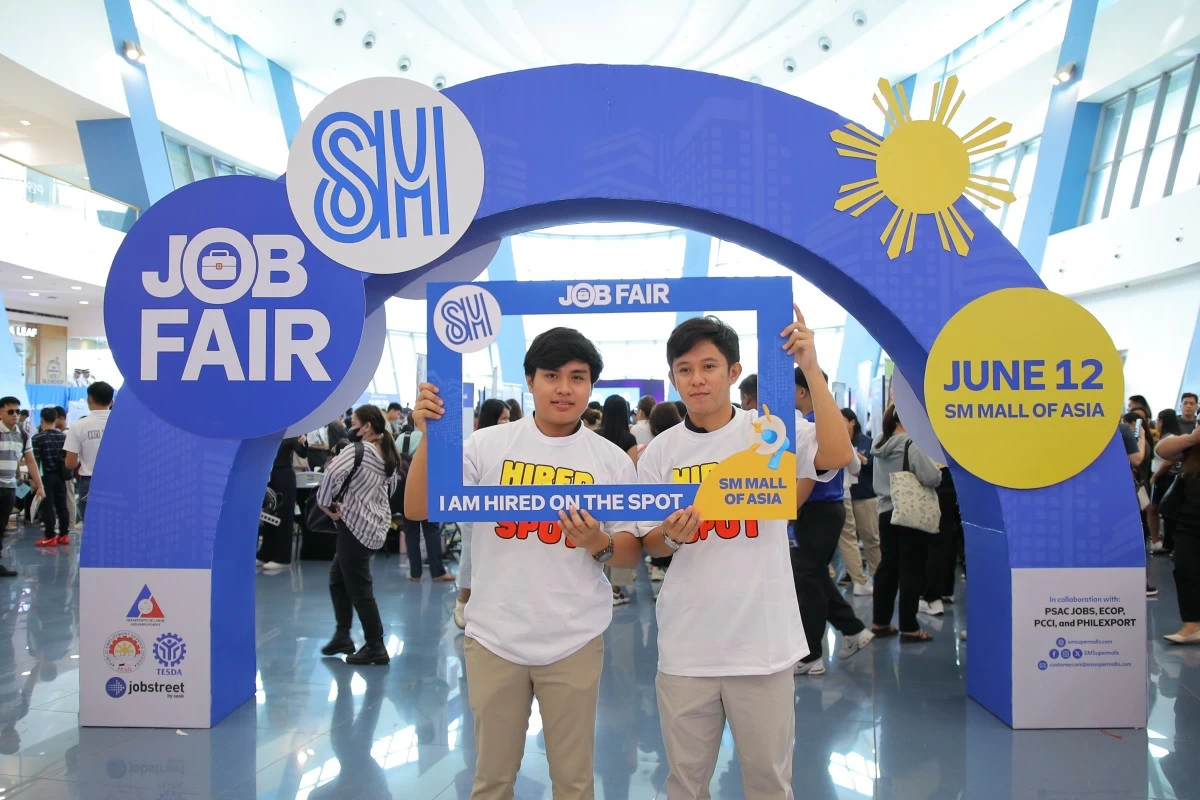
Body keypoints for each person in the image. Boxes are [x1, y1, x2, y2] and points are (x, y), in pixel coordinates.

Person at [405, 327, 641, 800]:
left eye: (578, 377)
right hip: (495, 636)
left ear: (591, 385)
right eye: (551, 375)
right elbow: (416, 508)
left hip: (574, 637)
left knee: (573, 784)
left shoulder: (611, 460)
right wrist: (431, 438)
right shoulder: (486, 446)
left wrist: (596, 541)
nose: (564, 388)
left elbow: (629, 549)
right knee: (492, 782)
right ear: (530, 381)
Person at [637, 310, 853, 799]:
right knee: (686, 785)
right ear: (672, 376)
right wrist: (672, 537)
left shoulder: (769, 431)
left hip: (763, 644)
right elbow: (650, 542)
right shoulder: (661, 453)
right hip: (687, 644)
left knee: (768, 783)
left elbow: (838, 456)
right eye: (685, 369)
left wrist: (811, 368)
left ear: (733, 372)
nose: (696, 379)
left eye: (709, 366)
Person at [792, 369, 873, 675]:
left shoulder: (811, 424)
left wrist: (792, 505)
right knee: (814, 576)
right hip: (829, 508)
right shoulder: (829, 422)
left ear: (802, 391)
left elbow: (811, 476)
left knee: (808, 581)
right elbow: (853, 463)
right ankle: (853, 629)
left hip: (816, 509)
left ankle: (812, 655)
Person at [318, 404, 401, 665]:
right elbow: (391, 489)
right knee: (338, 579)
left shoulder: (360, 450)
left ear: (366, 426)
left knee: (359, 589)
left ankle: (376, 645)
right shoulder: (388, 454)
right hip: (374, 527)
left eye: (353, 422)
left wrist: (324, 504)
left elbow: (330, 472)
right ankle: (343, 634)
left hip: (353, 527)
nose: (349, 426)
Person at [870, 404, 942, 641]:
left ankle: (880, 622)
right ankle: (909, 627)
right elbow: (933, 476)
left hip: (885, 511)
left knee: (887, 567)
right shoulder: (910, 443)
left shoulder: (879, 443)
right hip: (909, 513)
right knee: (911, 569)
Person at [452, 399, 511, 630]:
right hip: (476, 513)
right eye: (503, 418)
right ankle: (463, 599)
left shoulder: (511, 445)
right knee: (471, 556)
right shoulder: (474, 445)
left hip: (505, 515)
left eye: (508, 418)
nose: (508, 423)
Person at [1156, 425, 1200, 644]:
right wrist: (1193, 437)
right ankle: (1192, 625)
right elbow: (1162, 450)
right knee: (1185, 568)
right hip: (1188, 517)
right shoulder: (1192, 444)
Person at [838, 409, 880, 595]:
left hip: (864, 496)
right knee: (849, 539)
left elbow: (874, 465)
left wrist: (861, 460)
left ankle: (878, 575)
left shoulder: (867, 442)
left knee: (871, 537)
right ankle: (856, 578)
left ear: (852, 421)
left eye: (842, 420)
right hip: (845, 495)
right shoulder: (836, 440)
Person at [0, 398, 43, 576]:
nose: (15, 415)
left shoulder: (23, 435)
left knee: (1, 526)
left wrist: (40, 485)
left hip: (9, 487)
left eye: (17, 411)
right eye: (11, 411)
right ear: (0, 413)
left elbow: (31, 462)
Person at [63, 382, 112, 526]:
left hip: (90, 482)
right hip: (118, 481)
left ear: (89, 400)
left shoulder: (78, 426)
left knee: (92, 528)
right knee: (116, 526)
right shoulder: (124, 423)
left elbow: (70, 463)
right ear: (111, 401)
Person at [645, 402, 684, 583]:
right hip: (683, 590)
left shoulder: (760, 431)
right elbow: (648, 541)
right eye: (685, 370)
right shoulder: (657, 451)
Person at [258, 436, 307, 570]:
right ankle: (265, 553)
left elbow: (302, 452)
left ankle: (282, 556)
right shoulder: (267, 432)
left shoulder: (290, 433)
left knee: (283, 515)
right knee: (268, 515)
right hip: (267, 474)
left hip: (283, 473)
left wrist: (303, 441)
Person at [32, 409, 70, 547]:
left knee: (47, 506)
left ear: (42, 419)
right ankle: (64, 534)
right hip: (61, 475)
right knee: (62, 506)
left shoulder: (37, 438)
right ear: (56, 419)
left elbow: (34, 461)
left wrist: (34, 481)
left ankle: (49, 536)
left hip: (45, 476)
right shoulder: (63, 437)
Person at [1152, 409, 1185, 555]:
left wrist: (1156, 475)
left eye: (1159, 420)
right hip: (1162, 477)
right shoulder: (1164, 437)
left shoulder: (1171, 439)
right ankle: (1169, 543)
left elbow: (1168, 460)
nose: (1157, 423)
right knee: (1163, 511)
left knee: (1168, 512)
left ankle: (1170, 545)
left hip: (1166, 477)